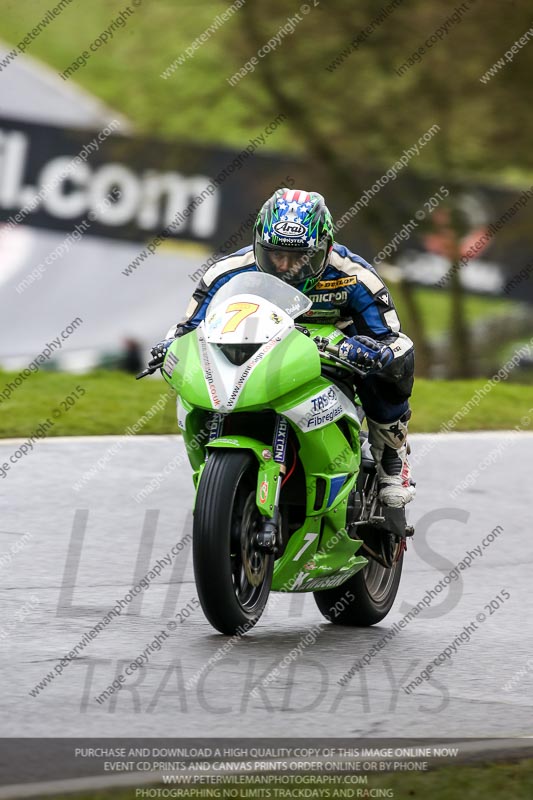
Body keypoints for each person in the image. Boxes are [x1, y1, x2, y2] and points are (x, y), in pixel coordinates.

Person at [149, 188, 415, 508]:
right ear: (259, 245)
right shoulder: (225, 272)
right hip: (262, 354)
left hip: (334, 357)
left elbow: (391, 339)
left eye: (301, 257)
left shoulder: (354, 275)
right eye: (277, 254)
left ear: (325, 249)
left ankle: (390, 454)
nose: (288, 266)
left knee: (391, 364)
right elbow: (190, 330)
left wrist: (374, 353)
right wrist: (168, 347)